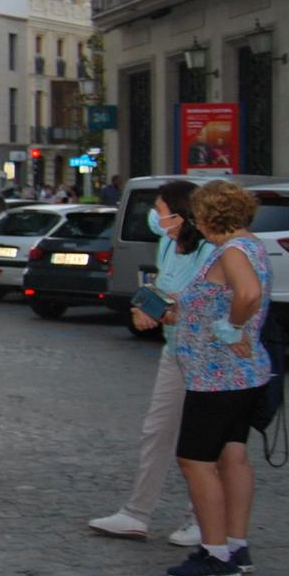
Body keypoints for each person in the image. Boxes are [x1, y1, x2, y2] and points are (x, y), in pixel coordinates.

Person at [164, 181, 273, 576]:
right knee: (233, 456)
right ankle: (235, 544)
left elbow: (248, 292)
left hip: (218, 376)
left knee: (195, 460)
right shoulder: (252, 246)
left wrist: (234, 326)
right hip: (239, 376)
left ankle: (215, 555)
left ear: (209, 217)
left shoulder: (232, 251)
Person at [89, 180, 207, 544]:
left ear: (181, 214)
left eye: (160, 210)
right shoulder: (169, 241)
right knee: (156, 432)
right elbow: (162, 285)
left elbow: (198, 302)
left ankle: (202, 519)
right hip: (174, 350)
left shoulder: (209, 251)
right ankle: (136, 513)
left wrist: (160, 311)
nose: (155, 217)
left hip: (204, 355)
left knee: (200, 441)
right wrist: (147, 306)